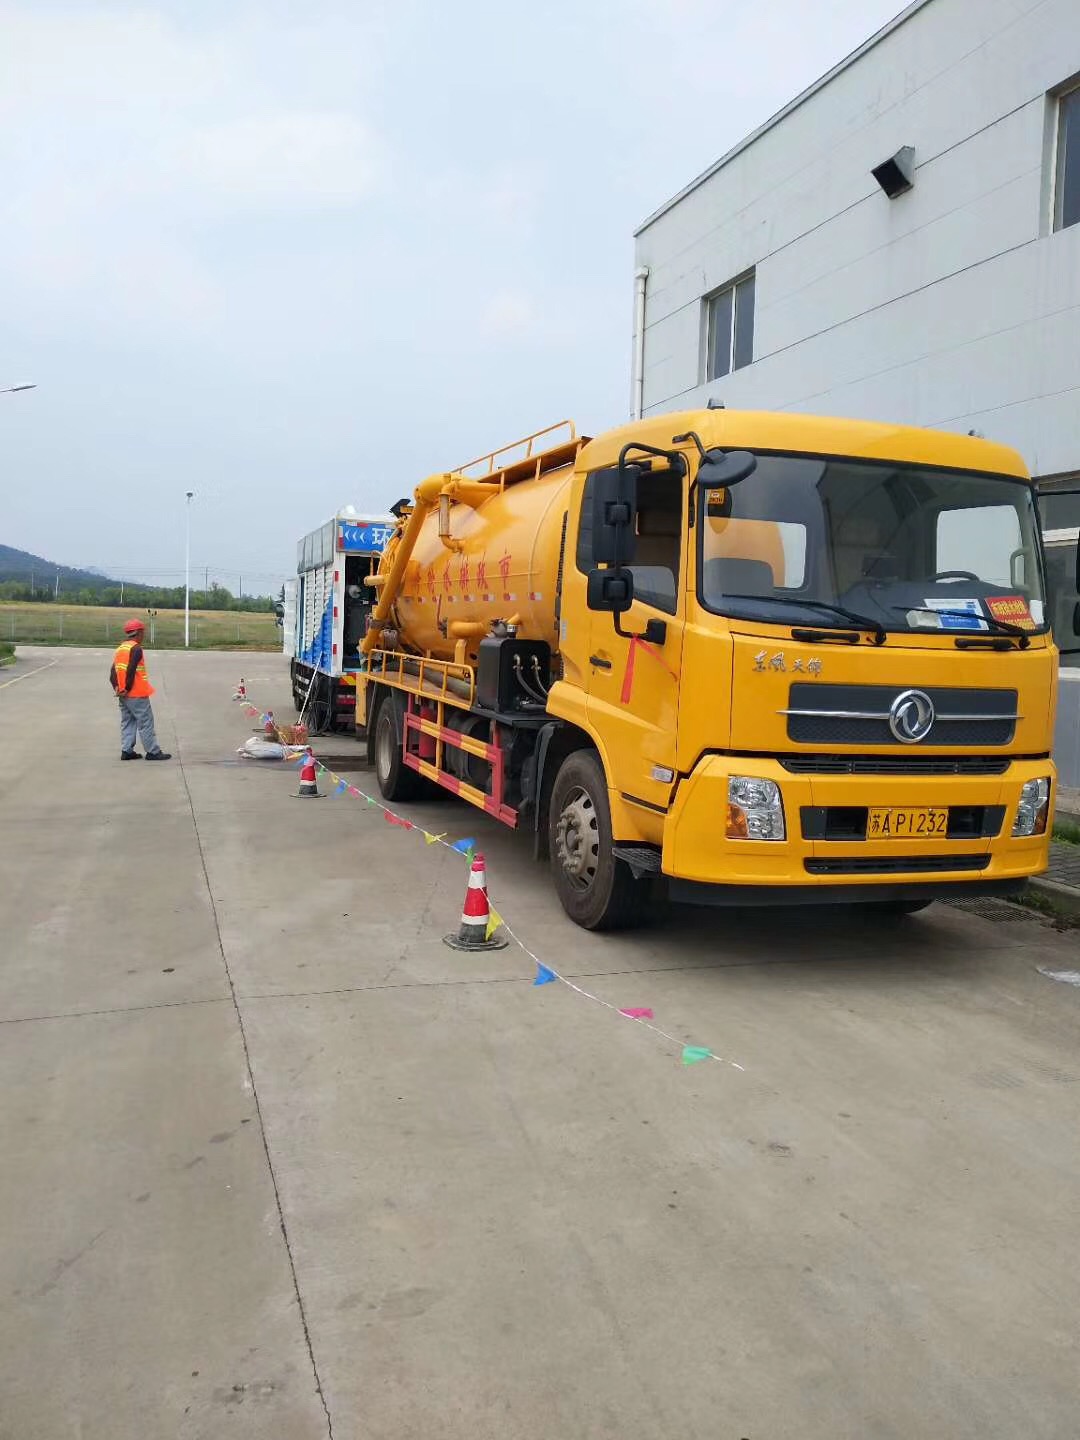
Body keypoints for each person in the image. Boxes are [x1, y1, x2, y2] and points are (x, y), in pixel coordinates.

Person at [109, 619, 171, 761]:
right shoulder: (136, 649)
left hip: (123, 695)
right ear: (140, 632)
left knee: (127, 721)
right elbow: (131, 669)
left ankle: (127, 750)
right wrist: (127, 688)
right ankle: (153, 751)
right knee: (145, 722)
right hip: (136, 693)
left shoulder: (120, 649)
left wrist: (117, 688)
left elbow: (113, 671)